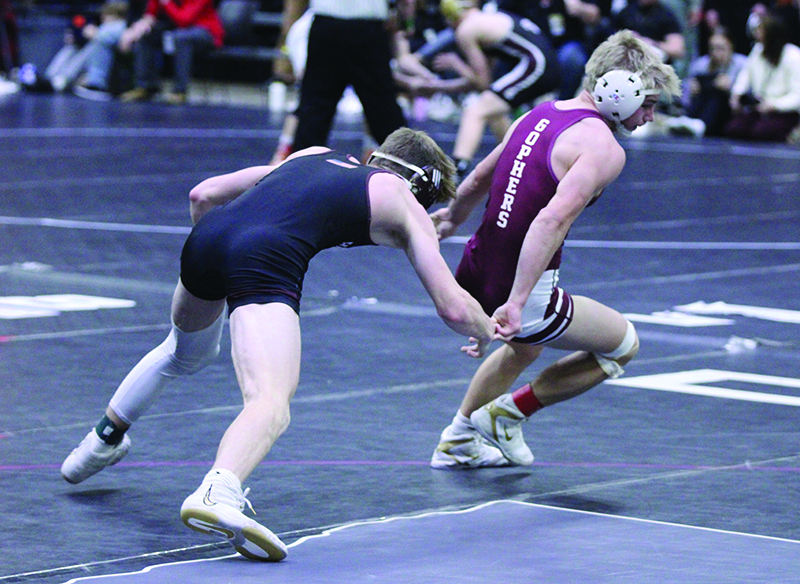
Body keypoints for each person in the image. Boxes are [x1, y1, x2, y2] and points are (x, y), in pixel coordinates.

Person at [61, 128, 496, 561]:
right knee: (270, 399)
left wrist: (222, 267)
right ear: (421, 186)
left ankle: (103, 439)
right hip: (263, 259)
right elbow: (454, 308)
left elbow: (203, 195)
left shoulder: (312, 154)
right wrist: (490, 329)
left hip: (207, 240)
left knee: (183, 353)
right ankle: (218, 492)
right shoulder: (403, 199)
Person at [429, 30, 681, 470]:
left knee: (525, 347)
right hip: (521, 288)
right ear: (620, 92)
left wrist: (451, 218)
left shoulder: (538, 114)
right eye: (648, 103)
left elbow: (481, 175)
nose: (650, 116)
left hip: (476, 265)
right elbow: (550, 221)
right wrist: (517, 302)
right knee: (623, 345)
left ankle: (458, 441)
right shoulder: (603, 147)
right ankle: (508, 414)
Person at [406, 0, 561, 182]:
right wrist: (439, 85)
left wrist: (453, 69)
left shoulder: (466, 30)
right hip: (542, 62)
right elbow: (486, 83)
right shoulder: (486, 19)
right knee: (493, 110)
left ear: (450, 18)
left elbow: (480, 82)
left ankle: (457, 171)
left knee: (476, 111)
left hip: (537, 65)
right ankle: (516, 161)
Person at [290, 0, 410, 152]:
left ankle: (301, 163)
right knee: (382, 107)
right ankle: (405, 158)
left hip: (326, 25)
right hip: (366, 28)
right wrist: (405, 21)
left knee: (314, 108)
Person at [118, 0, 224, 105]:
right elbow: (151, 14)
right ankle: (145, 87)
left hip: (205, 31)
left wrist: (167, 3)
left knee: (181, 38)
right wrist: (135, 30)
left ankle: (180, 91)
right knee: (146, 34)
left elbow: (184, 20)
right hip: (177, 27)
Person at [724, 11, 800, 141]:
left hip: (784, 111)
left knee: (761, 132)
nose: (756, 34)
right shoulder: (758, 50)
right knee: (734, 129)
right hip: (759, 107)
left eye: (761, 30)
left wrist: (774, 105)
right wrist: (737, 94)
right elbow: (746, 74)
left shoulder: (793, 56)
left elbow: (797, 96)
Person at [32, 1, 130, 99]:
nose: (103, 19)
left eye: (107, 15)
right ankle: (50, 78)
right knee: (73, 47)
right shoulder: (106, 28)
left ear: (118, 15)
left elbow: (104, 35)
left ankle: (63, 80)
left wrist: (93, 34)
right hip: (95, 63)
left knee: (92, 46)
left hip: (106, 71)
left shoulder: (120, 26)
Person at [667, 27, 747, 136]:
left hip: (730, 111)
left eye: (721, 48)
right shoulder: (701, 65)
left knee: (717, 95)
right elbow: (684, 94)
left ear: (731, 47)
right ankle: (689, 121)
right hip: (702, 106)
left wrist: (731, 88)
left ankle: (699, 124)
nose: (716, 53)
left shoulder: (742, 64)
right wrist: (691, 89)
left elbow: (750, 93)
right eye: (712, 48)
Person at [613, 0, 686, 65]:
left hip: (655, 66)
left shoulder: (666, 16)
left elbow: (677, 50)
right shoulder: (626, 13)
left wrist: (652, 44)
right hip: (628, 63)